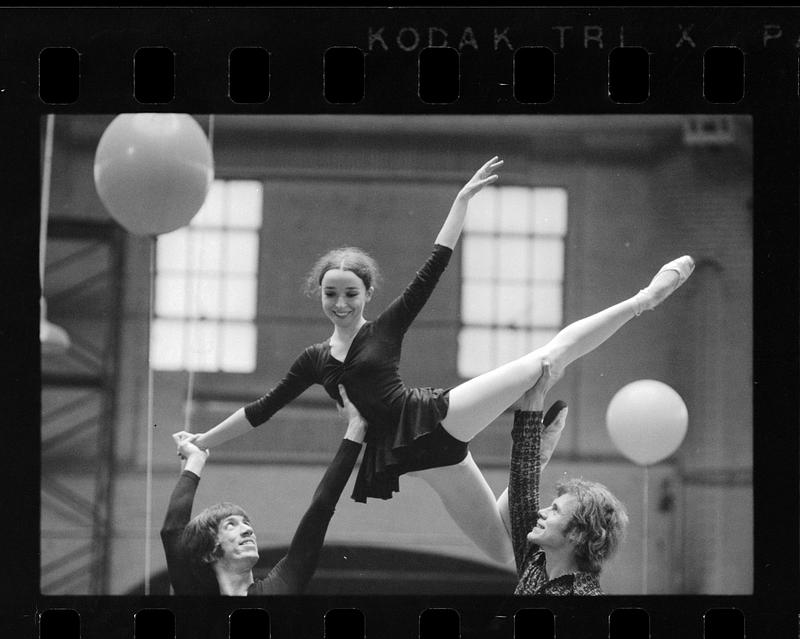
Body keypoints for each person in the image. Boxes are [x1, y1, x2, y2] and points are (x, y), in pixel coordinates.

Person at [176, 156, 693, 564]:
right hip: (411, 455)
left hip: (435, 415)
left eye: (351, 293)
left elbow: (434, 267)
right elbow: (260, 410)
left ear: (367, 293)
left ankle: (643, 298)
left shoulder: (386, 327)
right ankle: (533, 456)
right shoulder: (313, 359)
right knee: (502, 549)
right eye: (331, 293)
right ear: (318, 293)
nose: (340, 303)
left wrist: (462, 201)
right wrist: (204, 441)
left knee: (547, 359)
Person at [160, 384, 366, 595]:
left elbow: (320, 509)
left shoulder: (278, 588)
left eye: (246, 524)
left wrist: (356, 427)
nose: (248, 530)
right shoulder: (194, 594)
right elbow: (172, 531)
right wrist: (195, 459)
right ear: (209, 553)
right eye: (231, 525)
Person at [509, 361, 629, 595]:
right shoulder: (536, 564)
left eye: (555, 510)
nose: (541, 512)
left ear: (578, 535)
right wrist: (535, 397)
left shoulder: (588, 600)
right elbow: (522, 486)